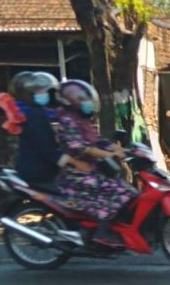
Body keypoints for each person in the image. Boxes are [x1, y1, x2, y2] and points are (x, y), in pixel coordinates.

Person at [53, 80, 138, 248]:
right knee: (119, 192)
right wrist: (109, 154)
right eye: (84, 100)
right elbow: (79, 147)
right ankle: (101, 234)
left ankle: (113, 229)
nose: (88, 104)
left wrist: (125, 151)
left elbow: (99, 141)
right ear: (73, 100)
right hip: (75, 175)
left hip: (90, 171)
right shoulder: (67, 121)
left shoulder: (81, 121)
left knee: (128, 189)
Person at [11, 71, 89, 186]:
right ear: (28, 93)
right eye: (40, 91)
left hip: (39, 168)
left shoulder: (36, 112)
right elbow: (47, 149)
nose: (46, 94)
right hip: (38, 172)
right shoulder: (33, 115)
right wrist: (77, 163)